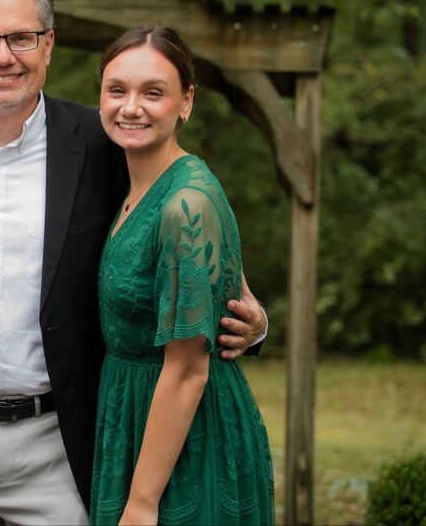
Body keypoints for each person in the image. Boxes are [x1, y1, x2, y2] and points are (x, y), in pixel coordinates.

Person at [0, 0, 269, 524]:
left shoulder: (105, 146)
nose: (2, 56)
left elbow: (191, 242)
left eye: (22, 37)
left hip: (62, 444)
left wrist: (255, 321)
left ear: (48, 45)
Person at [89, 26, 274, 525]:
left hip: (186, 440)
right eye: (117, 90)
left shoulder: (186, 203)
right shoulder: (132, 179)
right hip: (133, 419)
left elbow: (190, 368)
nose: (131, 107)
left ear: (186, 102)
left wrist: (143, 503)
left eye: (154, 92)